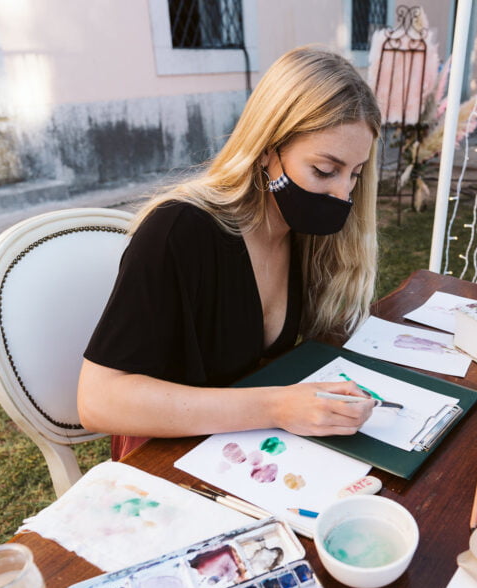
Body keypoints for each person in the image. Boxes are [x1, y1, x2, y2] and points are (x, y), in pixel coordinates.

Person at [78, 46, 383, 459]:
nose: (343, 194)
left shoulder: (302, 233)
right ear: (267, 148)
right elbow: (97, 401)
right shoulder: (178, 230)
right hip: (166, 456)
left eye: (355, 174)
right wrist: (276, 407)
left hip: (246, 448)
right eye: (324, 171)